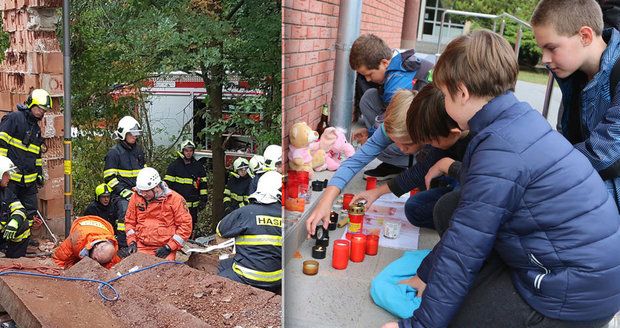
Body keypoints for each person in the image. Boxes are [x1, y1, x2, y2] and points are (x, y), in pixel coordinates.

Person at [385, 30, 620, 328]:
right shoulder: (517, 119)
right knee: (452, 209)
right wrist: (426, 274)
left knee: (455, 319)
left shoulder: (498, 148)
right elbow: (466, 226)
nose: (443, 103)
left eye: (444, 95)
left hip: (572, 295)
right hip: (585, 273)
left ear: (462, 91)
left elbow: (463, 250)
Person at [532, 0, 620, 211]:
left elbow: (606, 155)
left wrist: (537, 167)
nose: (545, 59)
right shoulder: (576, 76)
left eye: (551, 48)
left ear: (585, 36)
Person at [350, 85, 470, 230]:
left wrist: (448, 166)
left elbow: (483, 183)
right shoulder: (440, 136)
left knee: (452, 203)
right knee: (414, 208)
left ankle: (457, 221)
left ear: (454, 133)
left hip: (476, 192)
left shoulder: (477, 140)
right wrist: (377, 192)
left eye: (430, 141)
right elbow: (421, 170)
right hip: (460, 180)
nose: (428, 144)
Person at [306, 88, 421, 237]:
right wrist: (326, 200)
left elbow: (420, 171)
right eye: (395, 142)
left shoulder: (433, 135)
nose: (402, 149)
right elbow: (354, 162)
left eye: (408, 144)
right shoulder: (387, 129)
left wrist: (379, 191)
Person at [349, 34, 434, 180]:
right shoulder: (398, 63)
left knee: (376, 145)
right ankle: (397, 164)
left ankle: (414, 165)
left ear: (384, 63)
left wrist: (370, 136)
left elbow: (393, 121)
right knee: (369, 96)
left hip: (427, 140)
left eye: (369, 74)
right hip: (415, 123)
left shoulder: (396, 82)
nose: (368, 79)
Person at [217, 171, 282, 293]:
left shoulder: (246, 212)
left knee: (220, 272)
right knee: (226, 263)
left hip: (247, 276)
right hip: (277, 278)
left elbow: (220, 230)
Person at [0, 89, 50, 224]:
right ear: (31, 104)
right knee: (10, 210)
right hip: (11, 179)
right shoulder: (14, 119)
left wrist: (39, 174)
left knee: (30, 212)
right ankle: (9, 242)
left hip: (29, 181)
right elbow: (1, 144)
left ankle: (25, 239)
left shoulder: (36, 129)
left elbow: (37, 154)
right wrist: (2, 171)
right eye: (40, 109)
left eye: (44, 111)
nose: (42, 113)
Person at [123, 167, 192, 260]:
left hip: (164, 248)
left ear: (156, 187)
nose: (143, 194)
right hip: (141, 246)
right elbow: (129, 222)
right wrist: (132, 242)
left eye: (146, 191)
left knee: (164, 271)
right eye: (141, 191)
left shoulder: (175, 199)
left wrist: (169, 247)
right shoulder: (136, 197)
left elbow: (185, 226)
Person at [103, 115, 146, 243]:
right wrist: (123, 191)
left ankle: (143, 240)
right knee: (125, 211)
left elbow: (144, 171)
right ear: (123, 134)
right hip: (120, 194)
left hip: (138, 191)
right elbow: (109, 178)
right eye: (132, 133)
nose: (135, 136)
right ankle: (123, 243)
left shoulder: (138, 151)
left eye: (136, 133)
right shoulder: (114, 153)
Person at [164, 140, 208, 231]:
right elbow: (167, 186)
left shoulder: (198, 166)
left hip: (193, 205)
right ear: (182, 151)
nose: (188, 153)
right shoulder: (174, 166)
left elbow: (203, 184)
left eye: (191, 151)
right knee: (177, 225)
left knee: (191, 225)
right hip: (178, 205)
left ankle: (191, 241)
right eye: (186, 150)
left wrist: (203, 199)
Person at [52, 215, 121, 269]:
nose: (95, 263)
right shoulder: (77, 240)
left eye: (100, 262)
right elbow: (59, 259)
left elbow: (116, 267)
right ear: (96, 246)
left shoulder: (111, 251)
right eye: (95, 259)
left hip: (104, 225)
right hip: (82, 227)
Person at [0, 156, 30, 258]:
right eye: (6, 174)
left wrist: (14, 222)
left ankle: (14, 258)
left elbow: (19, 208)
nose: (9, 177)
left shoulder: (6, 192)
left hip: (2, 235)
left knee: (23, 226)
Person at [83, 183, 127, 248]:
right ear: (98, 197)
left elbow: (117, 223)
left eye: (108, 196)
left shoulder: (113, 207)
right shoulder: (92, 209)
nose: (106, 199)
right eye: (103, 197)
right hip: (97, 238)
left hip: (112, 236)